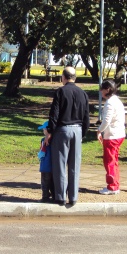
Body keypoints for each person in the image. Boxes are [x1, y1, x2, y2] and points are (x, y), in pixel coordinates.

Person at [45, 66, 90, 206]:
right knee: (74, 165)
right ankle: (73, 196)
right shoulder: (83, 93)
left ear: (63, 77)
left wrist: (49, 131)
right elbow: (86, 117)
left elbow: (54, 114)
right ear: (75, 77)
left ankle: (60, 196)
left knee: (60, 164)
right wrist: (83, 133)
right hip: (77, 130)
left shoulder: (60, 92)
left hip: (62, 131)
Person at [96, 79, 126, 195]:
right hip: (119, 134)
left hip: (112, 136)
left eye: (102, 90)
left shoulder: (110, 103)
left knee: (109, 161)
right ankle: (115, 184)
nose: (101, 92)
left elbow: (106, 120)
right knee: (114, 160)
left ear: (107, 90)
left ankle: (112, 186)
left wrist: (99, 130)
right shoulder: (117, 101)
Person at [37, 121, 54, 202]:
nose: (43, 131)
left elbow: (42, 153)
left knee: (45, 183)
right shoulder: (55, 140)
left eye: (43, 129)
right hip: (54, 166)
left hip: (45, 166)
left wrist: (38, 156)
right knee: (52, 183)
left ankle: (45, 197)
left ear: (47, 130)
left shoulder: (44, 140)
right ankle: (54, 196)